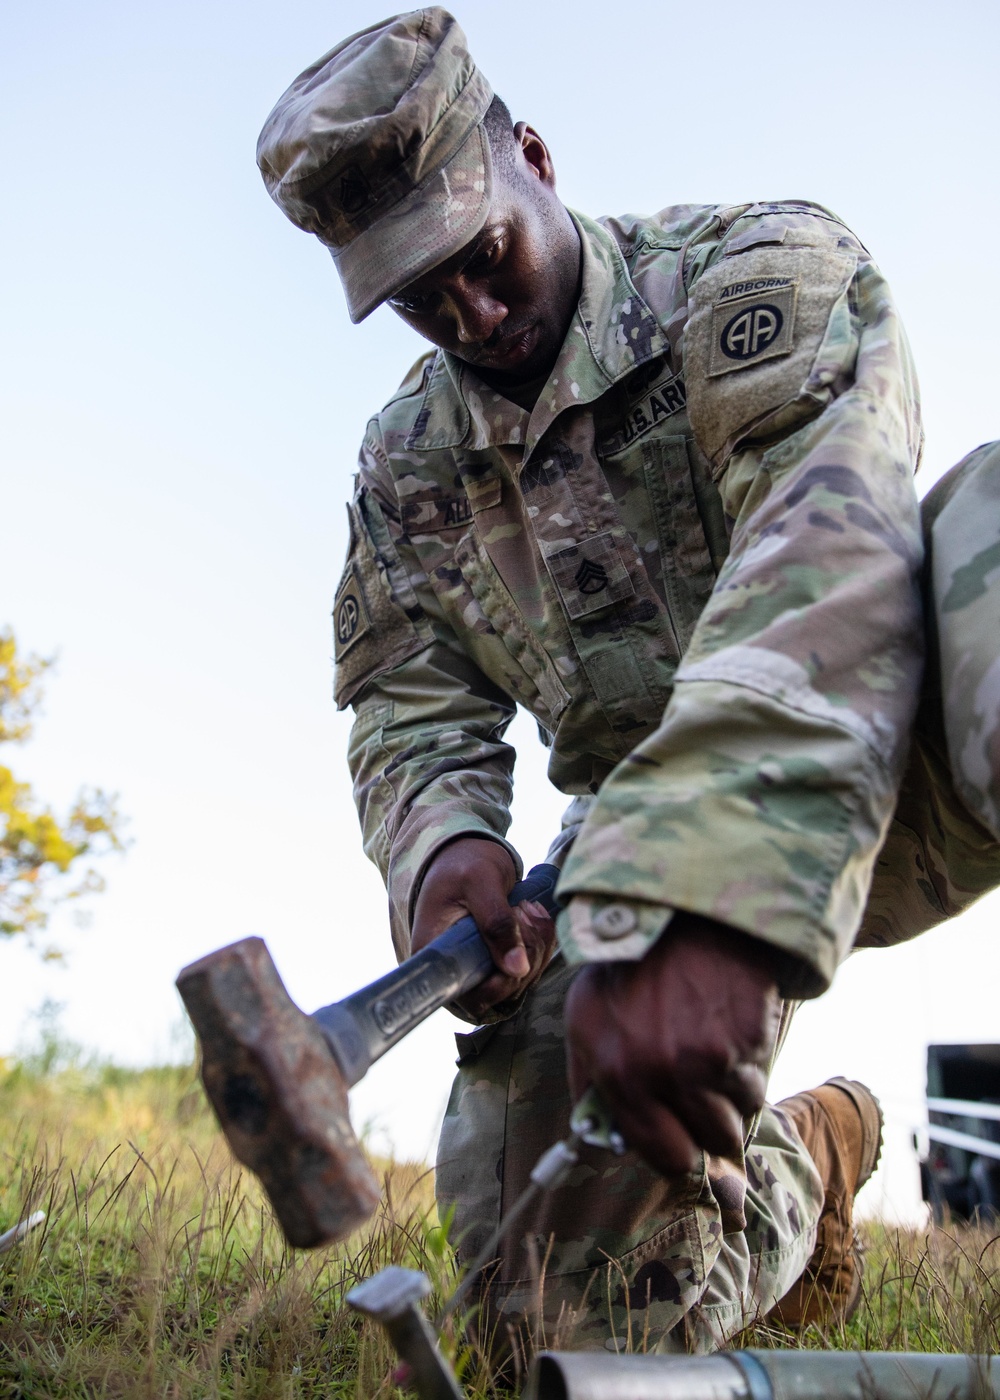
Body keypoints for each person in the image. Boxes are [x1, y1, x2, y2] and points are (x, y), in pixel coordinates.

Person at [256, 7, 1000, 1356]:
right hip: (628, 851)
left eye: (479, 256)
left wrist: (707, 894)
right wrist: (448, 854)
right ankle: (809, 1158)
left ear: (534, 156)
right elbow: (408, 701)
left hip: (905, 728)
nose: (469, 313)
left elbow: (826, 567)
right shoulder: (407, 465)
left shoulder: (755, 280)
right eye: (420, 295)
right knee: (564, 1329)